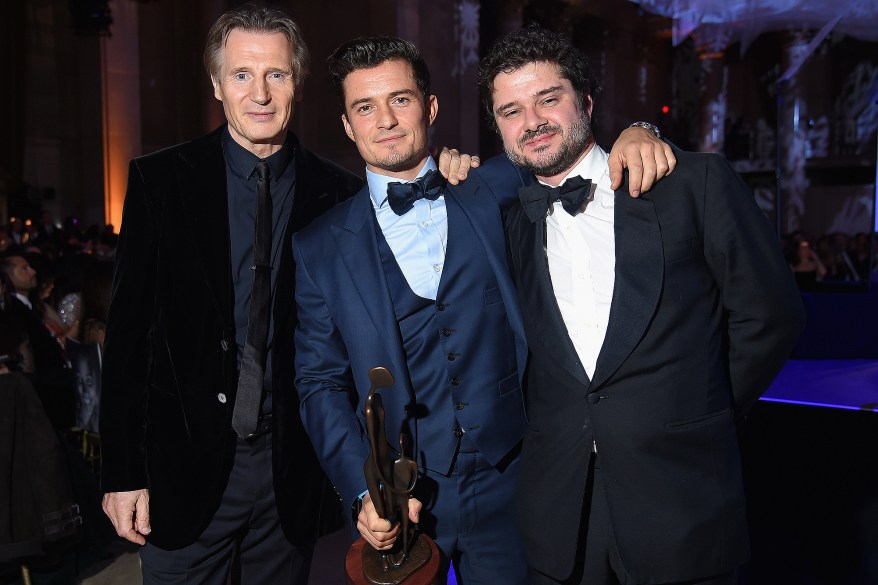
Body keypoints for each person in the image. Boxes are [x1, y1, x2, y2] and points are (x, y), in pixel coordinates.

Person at [292, 36, 672, 584]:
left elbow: (568, 148)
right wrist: (363, 488)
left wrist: (641, 130)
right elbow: (318, 383)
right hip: (407, 495)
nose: (386, 121)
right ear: (348, 125)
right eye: (365, 107)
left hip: (520, 473)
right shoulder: (319, 247)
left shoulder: (498, 185)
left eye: (401, 99)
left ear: (431, 107)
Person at [478, 26, 806, 585]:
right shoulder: (503, 222)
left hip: (682, 503)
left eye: (547, 98)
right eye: (511, 110)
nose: (531, 121)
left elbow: (771, 316)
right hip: (559, 517)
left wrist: (701, 405)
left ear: (585, 100)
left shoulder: (691, 184)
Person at [98, 4, 364, 584]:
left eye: (277, 74)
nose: (260, 93)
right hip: (182, 469)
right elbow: (126, 339)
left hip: (290, 473)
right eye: (242, 75)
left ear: (297, 82)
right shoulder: (158, 181)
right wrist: (121, 472)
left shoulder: (341, 193)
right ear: (217, 84)